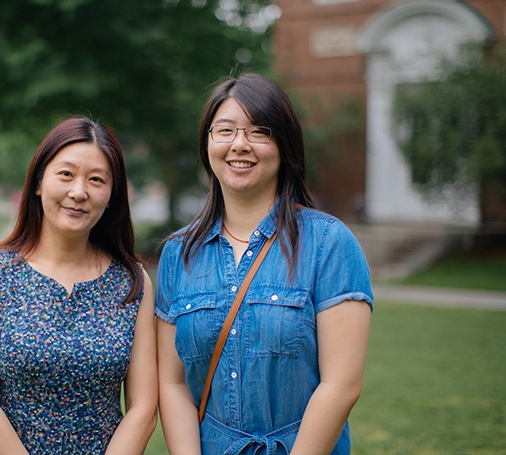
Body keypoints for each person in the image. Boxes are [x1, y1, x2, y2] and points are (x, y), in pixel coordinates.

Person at [155, 74, 373, 455]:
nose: (240, 144)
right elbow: (172, 384)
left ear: (284, 145)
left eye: (259, 131)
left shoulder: (329, 244)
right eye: (225, 130)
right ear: (207, 142)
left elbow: (341, 386)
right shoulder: (179, 253)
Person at [0, 116, 158, 455]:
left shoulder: (133, 282)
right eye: (65, 174)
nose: (78, 192)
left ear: (111, 196)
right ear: (37, 183)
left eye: (96, 180)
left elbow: (142, 409)